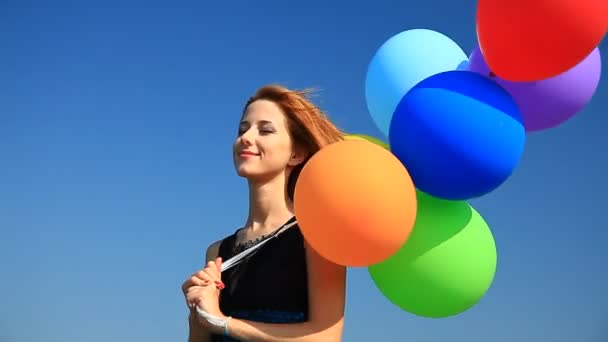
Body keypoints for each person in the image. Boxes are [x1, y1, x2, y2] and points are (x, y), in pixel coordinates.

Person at [181, 84, 347, 341]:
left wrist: (223, 322)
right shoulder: (216, 252)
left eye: (265, 130)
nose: (246, 138)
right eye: (242, 129)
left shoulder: (317, 236)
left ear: (297, 153)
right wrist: (198, 314)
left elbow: (327, 337)